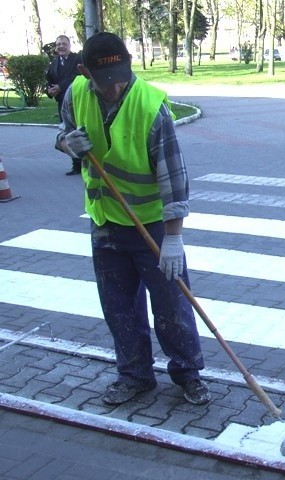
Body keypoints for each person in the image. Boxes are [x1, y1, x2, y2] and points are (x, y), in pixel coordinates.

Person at [55, 32, 211, 406]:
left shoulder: (150, 107)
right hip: (106, 222)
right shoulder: (76, 94)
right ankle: (135, 375)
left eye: (121, 77)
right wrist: (65, 143)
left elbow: (174, 178)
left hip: (153, 227)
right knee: (119, 306)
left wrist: (174, 237)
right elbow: (63, 132)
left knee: (172, 304)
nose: (114, 88)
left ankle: (188, 372)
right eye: (104, 81)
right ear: (84, 71)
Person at [46, 35, 82, 175]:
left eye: (64, 44)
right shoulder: (54, 63)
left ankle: (86, 163)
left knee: (78, 131)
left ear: (69, 45)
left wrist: (60, 86)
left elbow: (76, 76)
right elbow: (49, 79)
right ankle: (76, 165)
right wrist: (49, 90)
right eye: (59, 44)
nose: (61, 46)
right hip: (62, 104)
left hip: (76, 101)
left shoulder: (77, 60)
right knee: (67, 133)